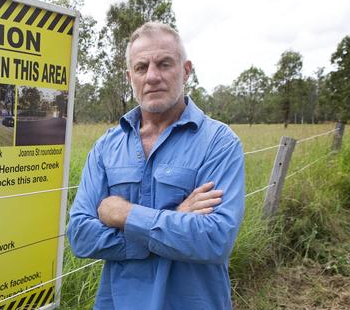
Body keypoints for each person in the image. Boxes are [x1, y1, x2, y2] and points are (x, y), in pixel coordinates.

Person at [67, 22, 245, 310]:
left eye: (164, 64)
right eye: (141, 67)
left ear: (186, 70)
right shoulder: (106, 147)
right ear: (130, 77)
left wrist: (124, 215)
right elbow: (80, 236)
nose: (152, 76)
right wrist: (175, 216)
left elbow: (214, 238)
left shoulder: (219, 143)